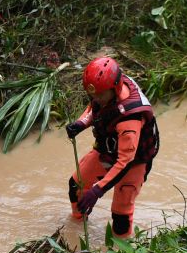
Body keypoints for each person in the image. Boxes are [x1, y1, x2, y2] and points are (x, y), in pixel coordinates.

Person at [65, 56, 160, 239]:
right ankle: (76, 229)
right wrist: (81, 123)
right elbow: (96, 106)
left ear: (114, 88)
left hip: (134, 161)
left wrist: (97, 190)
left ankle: (121, 252)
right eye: (93, 94)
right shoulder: (106, 93)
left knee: (120, 213)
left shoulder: (130, 120)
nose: (96, 98)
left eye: (100, 94)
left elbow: (125, 161)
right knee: (76, 185)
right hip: (108, 150)